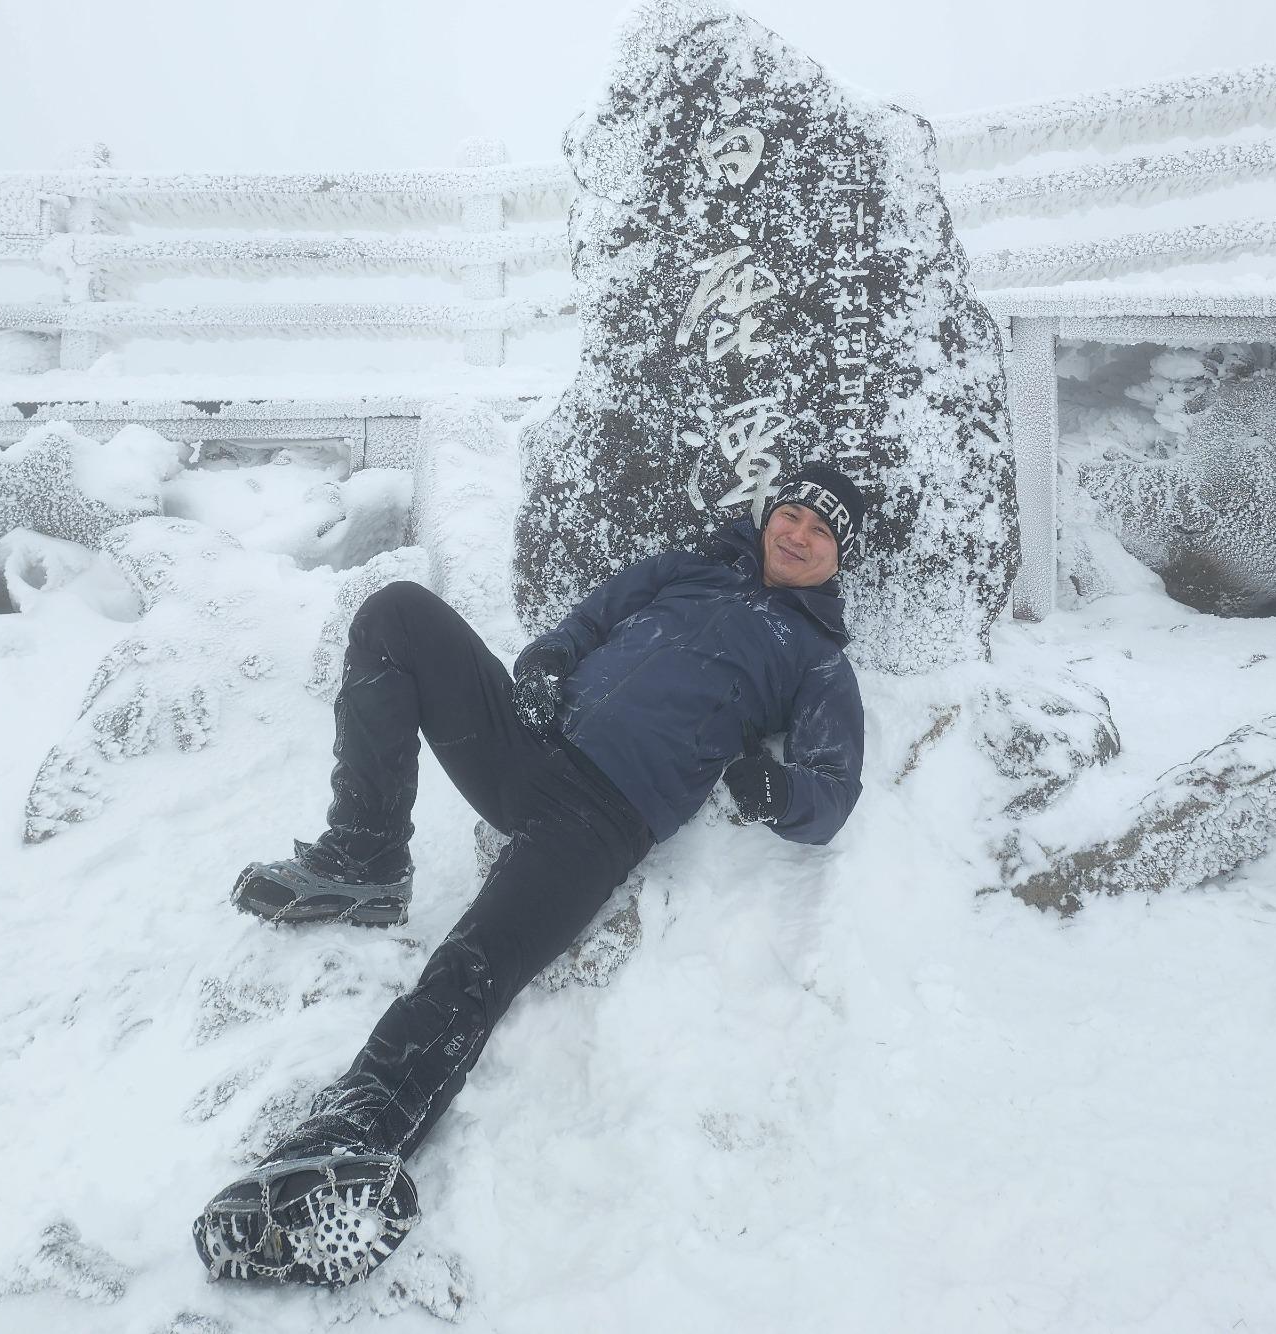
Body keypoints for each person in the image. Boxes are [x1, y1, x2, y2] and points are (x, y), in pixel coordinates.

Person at [191, 460, 869, 1288]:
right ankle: (363, 856)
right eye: (791, 515)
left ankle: (348, 1143)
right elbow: (588, 622)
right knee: (395, 614)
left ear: (840, 556)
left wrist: (778, 789)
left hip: (598, 818)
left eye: (821, 531)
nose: (798, 535)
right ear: (769, 517)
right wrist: (545, 666)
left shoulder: (816, 658)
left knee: (475, 966)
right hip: (527, 745)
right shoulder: (686, 569)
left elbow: (833, 797)